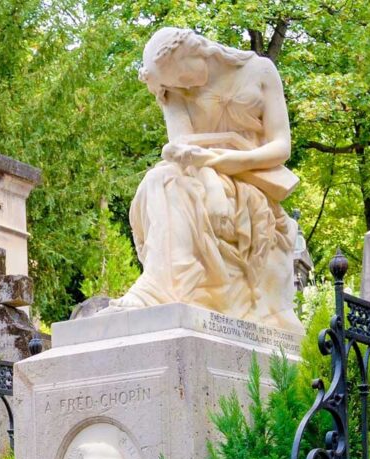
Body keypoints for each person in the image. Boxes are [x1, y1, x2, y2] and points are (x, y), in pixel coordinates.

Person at [106, 28, 302, 333]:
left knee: (167, 181)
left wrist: (225, 162)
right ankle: (161, 285)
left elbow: (281, 148)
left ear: (197, 51)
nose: (182, 86)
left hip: (250, 179)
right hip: (200, 178)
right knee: (161, 179)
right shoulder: (171, 91)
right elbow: (183, 154)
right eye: (174, 83)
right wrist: (212, 185)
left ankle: (162, 286)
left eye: (182, 77)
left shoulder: (260, 71)